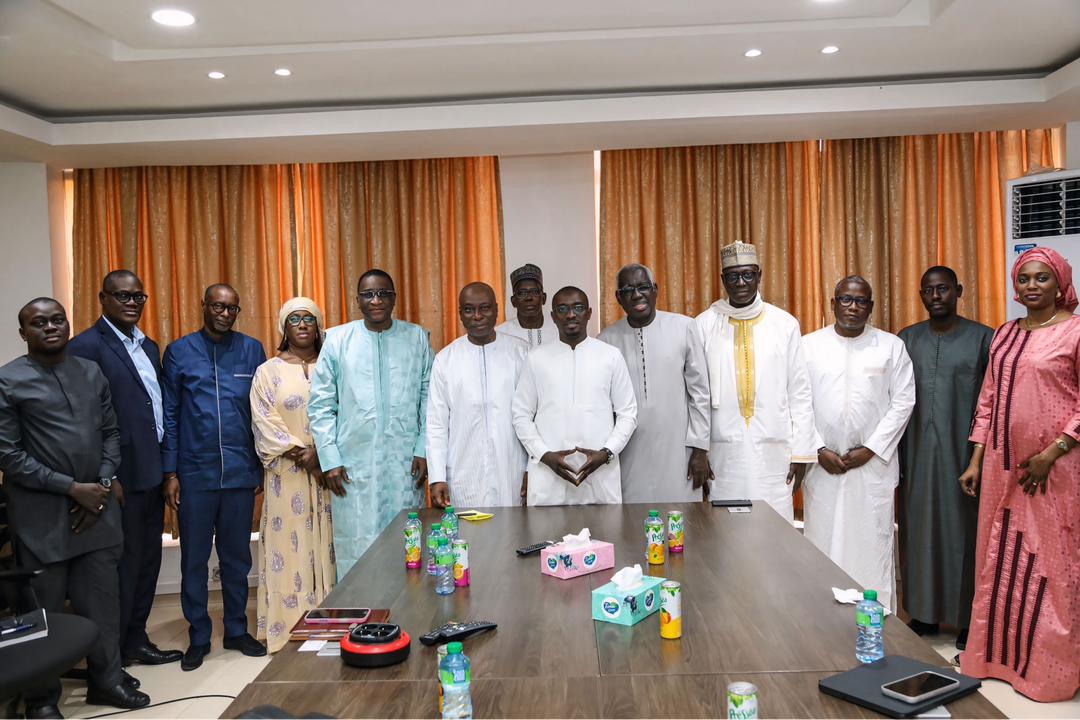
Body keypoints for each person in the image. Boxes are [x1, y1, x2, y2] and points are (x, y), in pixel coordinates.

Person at [0, 298, 150, 714]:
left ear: (68, 324)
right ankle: (41, 700)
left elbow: (112, 433)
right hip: (43, 520)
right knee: (44, 614)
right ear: (23, 333)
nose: (50, 327)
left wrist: (99, 485)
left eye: (57, 320)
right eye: (39, 322)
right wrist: (72, 489)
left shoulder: (90, 371)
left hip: (98, 512)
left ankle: (107, 682)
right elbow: (8, 455)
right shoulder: (8, 380)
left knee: (103, 604)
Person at [958, 247, 1080, 703]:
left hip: (1055, 471)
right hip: (999, 467)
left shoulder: (1074, 331)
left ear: (1059, 283)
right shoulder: (1006, 333)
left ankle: (1049, 671)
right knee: (999, 556)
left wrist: (1054, 451)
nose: (1031, 286)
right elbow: (988, 399)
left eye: (1041, 278)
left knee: (1051, 564)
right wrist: (976, 459)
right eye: (1024, 278)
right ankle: (995, 660)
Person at [67, 271, 184, 670]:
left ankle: (136, 639)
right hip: (117, 478)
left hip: (151, 471)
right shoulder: (85, 347)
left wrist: (168, 471)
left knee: (147, 561)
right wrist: (108, 476)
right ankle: (110, 659)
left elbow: (155, 410)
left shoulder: (148, 346)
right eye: (122, 296)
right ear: (103, 298)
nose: (132, 303)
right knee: (118, 569)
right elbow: (83, 421)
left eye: (138, 296)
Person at [162, 284, 268, 671]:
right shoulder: (179, 351)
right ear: (203, 306)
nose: (224, 314)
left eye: (232, 308)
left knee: (237, 557)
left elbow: (262, 411)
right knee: (194, 559)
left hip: (240, 471)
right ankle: (199, 635)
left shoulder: (252, 350)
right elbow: (170, 414)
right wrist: (170, 471)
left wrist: (260, 465)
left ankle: (237, 630)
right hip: (195, 473)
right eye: (218, 306)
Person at [308, 269, 434, 578]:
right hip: (353, 466)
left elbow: (429, 397)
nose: (376, 300)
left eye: (383, 294)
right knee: (358, 548)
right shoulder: (338, 340)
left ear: (394, 298)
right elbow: (321, 405)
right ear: (358, 300)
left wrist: (423, 448)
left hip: (405, 464)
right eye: (368, 294)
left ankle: (408, 608)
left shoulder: (416, 337)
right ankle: (361, 611)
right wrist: (330, 459)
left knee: (407, 545)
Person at [801, 276, 916, 612]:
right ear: (833, 303)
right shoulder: (809, 346)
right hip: (823, 466)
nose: (853, 307)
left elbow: (904, 402)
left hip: (872, 467)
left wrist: (872, 448)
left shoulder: (891, 347)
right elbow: (796, 401)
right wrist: (817, 448)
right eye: (846, 299)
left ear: (871, 307)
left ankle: (875, 620)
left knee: (871, 545)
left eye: (861, 301)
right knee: (822, 543)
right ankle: (820, 618)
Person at [897, 266, 992, 649]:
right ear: (921, 295)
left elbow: (993, 401)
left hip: (964, 457)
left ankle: (967, 620)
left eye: (943, 289)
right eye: (928, 290)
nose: (936, 296)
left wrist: (979, 459)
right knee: (918, 531)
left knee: (965, 536)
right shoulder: (907, 339)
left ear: (959, 291)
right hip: (916, 453)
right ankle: (923, 614)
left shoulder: (984, 338)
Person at [695, 241, 817, 522]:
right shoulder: (704, 325)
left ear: (759, 275)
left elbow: (800, 392)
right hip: (723, 453)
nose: (741, 283)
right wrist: (699, 452)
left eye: (748, 274)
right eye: (733, 276)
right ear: (723, 279)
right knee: (726, 531)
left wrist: (801, 454)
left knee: (773, 530)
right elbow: (695, 397)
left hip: (774, 453)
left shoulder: (785, 324)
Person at [250, 298, 336, 653]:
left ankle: (335, 625)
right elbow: (264, 421)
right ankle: (288, 628)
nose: (302, 324)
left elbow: (347, 412)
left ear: (319, 326)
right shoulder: (267, 372)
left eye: (309, 318)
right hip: (288, 476)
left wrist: (325, 456)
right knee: (290, 549)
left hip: (332, 473)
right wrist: (307, 458)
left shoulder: (332, 365)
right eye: (294, 319)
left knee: (331, 545)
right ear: (284, 328)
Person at [512, 286, 637, 505]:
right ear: (553, 316)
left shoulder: (610, 356)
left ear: (589, 313)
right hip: (548, 477)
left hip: (601, 476)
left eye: (578, 308)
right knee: (546, 528)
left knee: (605, 527)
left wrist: (607, 453)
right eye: (563, 309)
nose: (571, 314)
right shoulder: (536, 358)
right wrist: (544, 455)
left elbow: (628, 414)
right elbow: (521, 415)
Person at [599, 264, 711, 502]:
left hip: (678, 449)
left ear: (655, 290)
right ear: (618, 297)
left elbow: (700, 393)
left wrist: (701, 449)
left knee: (681, 517)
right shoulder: (606, 340)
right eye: (628, 290)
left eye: (643, 287)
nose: (637, 295)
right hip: (629, 452)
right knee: (632, 517)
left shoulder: (684, 327)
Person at [427, 282, 529, 508]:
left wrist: (533, 469)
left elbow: (536, 417)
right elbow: (436, 424)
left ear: (497, 310)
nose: (477, 316)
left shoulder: (521, 353)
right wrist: (437, 477)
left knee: (514, 528)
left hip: (512, 469)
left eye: (485, 308)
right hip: (463, 472)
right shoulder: (445, 360)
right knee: (468, 529)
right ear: (460, 314)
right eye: (469, 309)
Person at [495, 263, 551, 349]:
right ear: (513, 301)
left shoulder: (558, 329)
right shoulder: (500, 333)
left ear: (543, 298)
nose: (529, 298)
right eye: (521, 293)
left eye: (535, 292)